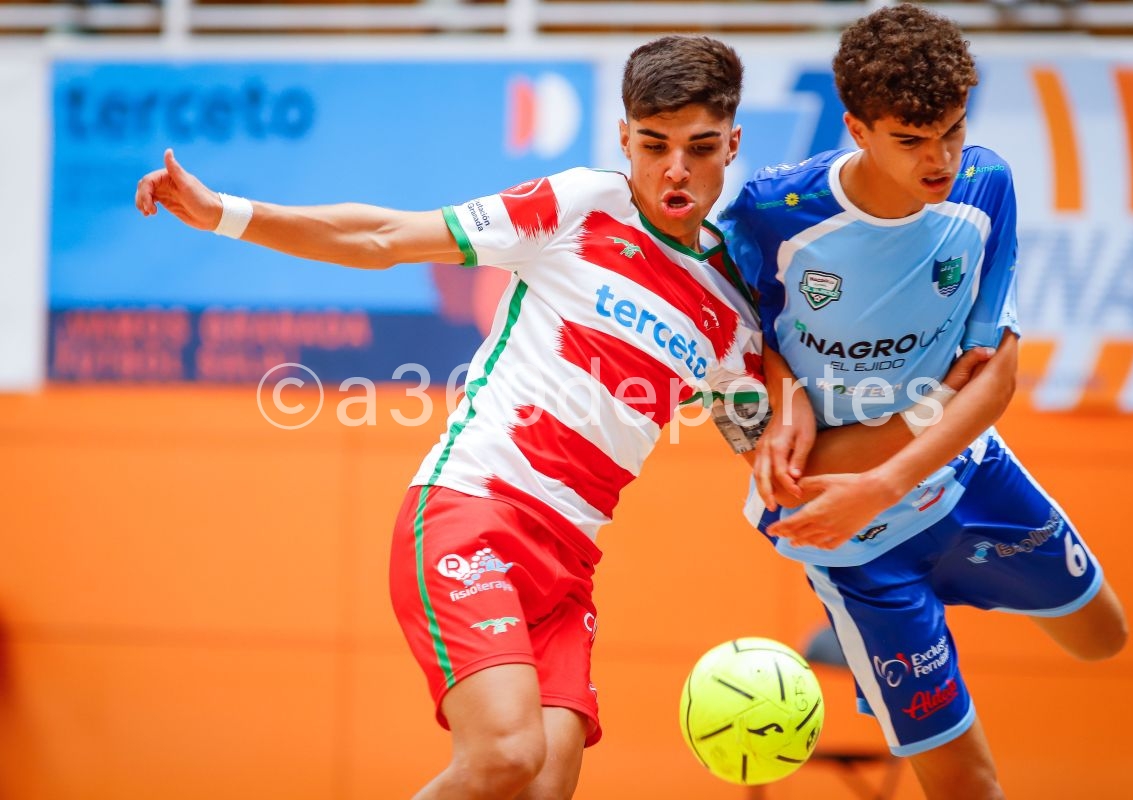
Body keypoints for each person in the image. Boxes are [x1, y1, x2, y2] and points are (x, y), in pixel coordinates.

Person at [135, 35, 768, 800]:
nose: (675, 170)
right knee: (504, 756)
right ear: (624, 139)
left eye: (699, 148)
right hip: (473, 512)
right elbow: (383, 236)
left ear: (732, 143)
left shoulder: (732, 312)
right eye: (653, 145)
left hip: (569, 567)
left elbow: (771, 449)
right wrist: (224, 214)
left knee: (545, 783)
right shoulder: (578, 207)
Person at [718, 5, 1128, 799]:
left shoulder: (985, 184)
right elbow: (733, 338)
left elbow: (997, 375)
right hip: (853, 545)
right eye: (911, 140)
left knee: (1103, 638)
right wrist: (785, 389)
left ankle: (958, 577)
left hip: (964, 480)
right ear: (857, 130)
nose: (939, 158)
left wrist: (888, 472)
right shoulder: (774, 212)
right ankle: (921, 610)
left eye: (952, 129)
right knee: (967, 783)